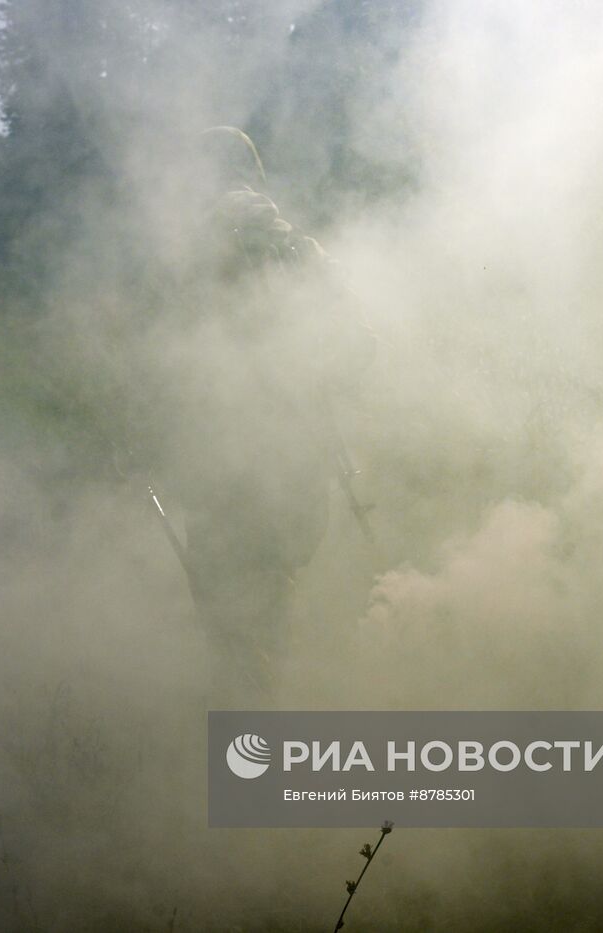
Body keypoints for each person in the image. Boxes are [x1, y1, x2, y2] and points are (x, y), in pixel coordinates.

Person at [156, 127, 375, 700]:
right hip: (296, 466)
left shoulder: (184, 258)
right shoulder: (300, 249)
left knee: (229, 627)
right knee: (274, 599)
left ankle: (249, 724)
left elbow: (153, 363)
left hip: (216, 467)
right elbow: (360, 345)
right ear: (255, 178)